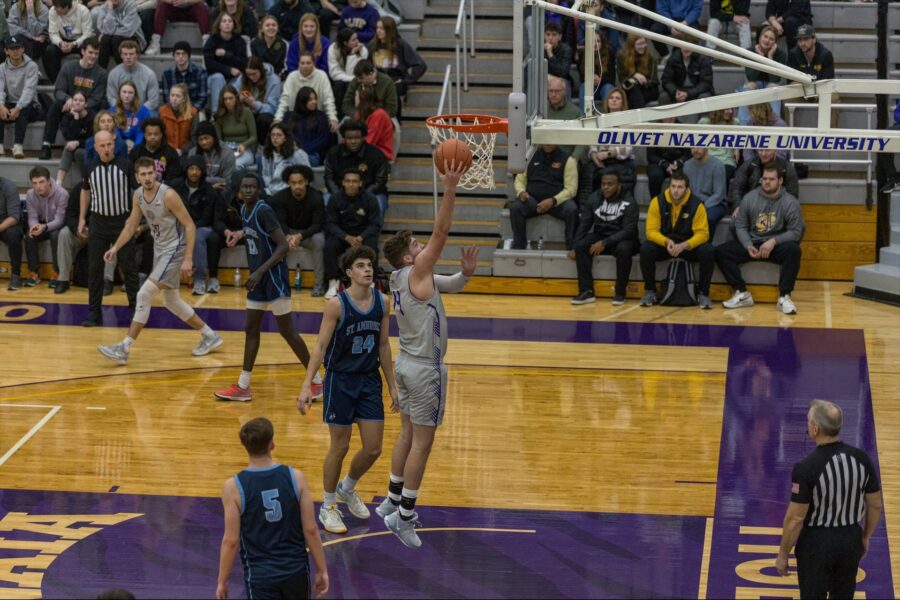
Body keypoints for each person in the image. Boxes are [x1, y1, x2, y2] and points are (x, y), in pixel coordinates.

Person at [377, 161, 475, 548]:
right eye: (416, 248)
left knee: (406, 435)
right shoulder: (416, 270)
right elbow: (442, 230)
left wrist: (466, 274)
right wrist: (450, 187)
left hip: (406, 365)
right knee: (423, 443)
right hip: (425, 371)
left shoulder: (405, 278)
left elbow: (449, 283)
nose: (423, 249)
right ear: (407, 259)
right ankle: (405, 517)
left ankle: (391, 498)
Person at [297, 245, 398, 534]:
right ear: (349, 272)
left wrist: (392, 386)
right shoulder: (336, 305)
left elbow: (383, 346)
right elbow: (319, 347)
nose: (368, 269)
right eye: (361, 265)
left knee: (374, 447)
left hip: (368, 381)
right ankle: (328, 506)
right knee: (339, 446)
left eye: (370, 265)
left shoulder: (382, 301)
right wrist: (308, 384)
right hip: (340, 380)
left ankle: (347, 487)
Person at [97, 158, 223, 363]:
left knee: (144, 293)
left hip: (176, 248)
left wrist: (188, 258)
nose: (147, 178)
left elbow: (190, 225)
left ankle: (124, 348)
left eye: (150, 173)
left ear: (156, 173)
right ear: (136, 177)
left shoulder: (169, 195)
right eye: (143, 174)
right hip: (161, 249)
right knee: (171, 301)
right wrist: (115, 247)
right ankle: (210, 336)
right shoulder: (138, 195)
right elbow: (131, 225)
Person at [214, 173, 324, 402]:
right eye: (245, 187)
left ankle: (318, 382)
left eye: (253, 187)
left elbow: (283, 245)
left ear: (259, 189)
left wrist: (261, 270)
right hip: (258, 281)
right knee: (250, 328)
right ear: (239, 190)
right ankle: (243, 386)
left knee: (288, 332)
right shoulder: (244, 210)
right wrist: (240, 234)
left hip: (272, 278)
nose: (248, 190)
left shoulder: (264, 210)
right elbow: (256, 234)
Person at [775, 399, 883, 599]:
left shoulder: (806, 468)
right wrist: (865, 537)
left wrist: (783, 554)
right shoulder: (861, 459)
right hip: (850, 538)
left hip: (816, 543)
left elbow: (796, 518)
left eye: (808, 422)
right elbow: (875, 504)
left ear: (815, 429)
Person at [216, 417, 329, 600]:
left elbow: (231, 540)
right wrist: (322, 569)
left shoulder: (233, 487)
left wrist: (222, 581)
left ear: (244, 446)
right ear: (272, 444)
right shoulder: (296, 477)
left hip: (261, 576)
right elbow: (311, 529)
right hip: (296, 571)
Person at [716, 163, 805, 315]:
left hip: (775, 244)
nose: (767, 182)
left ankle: (785, 296)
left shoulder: (790, 202)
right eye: (764, 179)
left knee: (794, 250)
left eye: (771, 179)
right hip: (754, 241)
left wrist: (773, 242)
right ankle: (742, 292)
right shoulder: (749, 198)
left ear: (780, 181)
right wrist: (747, 244)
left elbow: (796, 232)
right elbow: (741, 226)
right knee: (721, 252)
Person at [79, 130, 138, 327]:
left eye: (109, 145)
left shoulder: (125, 165)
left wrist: (134, 217)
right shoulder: (88, 166)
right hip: (98, 222)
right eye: (102, 146)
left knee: (128, 267)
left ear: (114, 144)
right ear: (95, 148)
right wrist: (81, 218)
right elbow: (85, 192)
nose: (106, 148)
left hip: (122, 221)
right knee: (95, 269)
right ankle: (94, 313)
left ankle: (135, 311)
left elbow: (136, 192)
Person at [638, 171, 715, 309]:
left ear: (686, 188)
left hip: (687, 246)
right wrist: (666, 241)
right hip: (666, 245)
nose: (675, 191)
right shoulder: (657, 202)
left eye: (680, 187)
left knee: (708, 250)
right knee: (646, 248)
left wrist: (685, 245)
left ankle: (703, 293)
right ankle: (650, 291)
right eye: (673, 186)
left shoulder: (697, 205)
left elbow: (703, 234)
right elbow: (650, 232)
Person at [571, 170, 639, 306]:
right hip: (601, 235)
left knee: (624, 249)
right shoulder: (594, 198)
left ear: (619, 186)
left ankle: (620, 292)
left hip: (623, 238)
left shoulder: (629, 201)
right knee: (581, 246)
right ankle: (586, 291)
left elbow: (629, 230)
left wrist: (605, 242)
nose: (606, 187)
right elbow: (584, 224)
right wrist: (575, 246)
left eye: (610, 184)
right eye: (603, 184)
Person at [40, 36, 106, 161]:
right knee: (55, 105)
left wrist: (80, 106)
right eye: (90, 52)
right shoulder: (69, 67)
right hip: (68, 106)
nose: (93, 56)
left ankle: (88, 145)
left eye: (96, 54)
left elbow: (97, 98)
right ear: (83, 51)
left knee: (101, 107)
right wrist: (68, 99)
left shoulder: (102, 74)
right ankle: (46, 145)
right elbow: (58, 90)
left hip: (87, 109)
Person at [323, 169, 381, 298]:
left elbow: (375, 224)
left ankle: (370, 283)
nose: (351, 184)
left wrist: (361, 237)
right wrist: (346, 237)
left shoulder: (370, 199)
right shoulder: (335, 198)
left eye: (354, 181)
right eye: (348, 181)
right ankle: (333, 282)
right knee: (329, 246)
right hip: (343, 235)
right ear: (343, 183)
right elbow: (330, 223)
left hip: (363, 235)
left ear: (360, 183)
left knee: (372, 246)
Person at [509, 143, 578, 252]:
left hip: (557, 201)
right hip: (533, 200)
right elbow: (519, 179)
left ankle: (572, 248)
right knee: (515, 207)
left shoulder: (568, 160)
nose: (547, 142)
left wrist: (553, 200)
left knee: (572, 209)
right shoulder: (529, 156)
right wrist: (521, 192)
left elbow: (571, 189)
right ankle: (518, 247)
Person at [268, 164, 325, 296]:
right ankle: (276, 283)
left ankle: (319, 284)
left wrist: (300, 236)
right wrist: (287, 236)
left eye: (300, 182)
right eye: (293, 183)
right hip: (288, 232)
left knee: (319, 240)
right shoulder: (280, 197)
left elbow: (318, 225)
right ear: (288, 183)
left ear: (306, 181)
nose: (297, 186)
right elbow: (280, 222)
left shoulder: (316, 197)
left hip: (308, 233)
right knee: (272, 239)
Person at [174, 155, 222, 295]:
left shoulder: (209, 191)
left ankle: (200, 279)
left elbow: (206, 218)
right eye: (191, 168)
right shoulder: (176, 186)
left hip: (202, 226)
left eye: (198, 169)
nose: (194, 172)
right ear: (186, 170)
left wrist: (189, 228)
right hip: (179, 225)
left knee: (197, 237)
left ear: (203, 172)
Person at [323, 119, 389, 214]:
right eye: (349, 138)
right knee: (326, 203)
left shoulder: (376, 154)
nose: (353, 141)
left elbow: (380, 181)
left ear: (363, 138)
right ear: (344, 139)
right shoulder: (333, 153)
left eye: (357, 138)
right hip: (339, 192)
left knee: (378, 206)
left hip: (370, 193)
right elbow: (329, 178)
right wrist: (339, 195)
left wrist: (362, 196)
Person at [23, 167, 68, 287]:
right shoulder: (30, 194)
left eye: (41, 182)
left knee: (55, 235)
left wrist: (44, 227)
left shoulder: (62, 193)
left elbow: (59, 220)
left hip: (57, 224)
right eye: (35, 183)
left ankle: (57, 272)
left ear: (49, 181)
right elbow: (32, 217)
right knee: (29, 235)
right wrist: (34, 226)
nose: (38, 186)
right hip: (41, 223)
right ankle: (34, 272)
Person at [0, 35, 41, 160]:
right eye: (12, 49)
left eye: (18, 48)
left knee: (25, 107)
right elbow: (0, 88)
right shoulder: (1, 68)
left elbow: (28, 90)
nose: (15, 51)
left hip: (30, 106)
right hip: (10, 104)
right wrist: (1, 105)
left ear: (23, 49)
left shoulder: (32, 66)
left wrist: (18, 107)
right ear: (6, 51)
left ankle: (18, 145)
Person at [275, 51, 338, 130]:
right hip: (296, 116)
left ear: (314, 63)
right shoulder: (292, 77)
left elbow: (328, 99)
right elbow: (284, 100)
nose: (305, 66)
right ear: (298, 64)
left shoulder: (322, 76)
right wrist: (277, 119)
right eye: (302, 63)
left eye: (308, 63)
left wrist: (332, 118)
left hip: (317, 116)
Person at [367, 16, 425, 99]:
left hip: (395, 82)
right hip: (377, 81)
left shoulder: (401, 45)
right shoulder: (372, 45)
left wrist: (405, 80)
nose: (378, 31)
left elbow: (420, 65)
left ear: (390, 30)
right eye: (377, 28)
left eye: (382, 29)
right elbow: (366, 65)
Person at [729, 147, 800, 212]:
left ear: (775, 150)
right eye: (760, 150)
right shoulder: (749, 165)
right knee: (735, 221)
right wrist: (738, 205)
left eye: (767, 150)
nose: (763, 154)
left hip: (778, 208)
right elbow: (737, 187)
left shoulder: (786, 168)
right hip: (752, 207)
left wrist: (783, 210)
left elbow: (792, 194)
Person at [205, 12, 247, 113]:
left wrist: (226, 54)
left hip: (234, 78)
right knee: (218, 77)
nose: (227, 23)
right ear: (219, 25)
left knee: (243, 78)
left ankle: (234, 112)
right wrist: (228, 69)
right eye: (224, 21)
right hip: (215, 78)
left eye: (230, 21)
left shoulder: (240, 41)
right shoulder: (212, 40)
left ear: (234, 24)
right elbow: (209, 64)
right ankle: (217, 114)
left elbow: (243, 62)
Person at [282, 86, 334, 166]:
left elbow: (322, 140)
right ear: (302, 101)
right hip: (291, 152)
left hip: (312, 154)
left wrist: (301, 151)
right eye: (310, 100)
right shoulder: (289, 116)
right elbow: (285, 136)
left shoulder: (321, 116)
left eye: (315, 99)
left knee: (302, 159)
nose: (314, 102)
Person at [235, 57, 281, 145]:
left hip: (263, 115)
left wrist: (254, 104)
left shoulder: (274, 80)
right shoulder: (243, 78)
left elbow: (272, 109)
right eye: (248, 74)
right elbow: (232, 92)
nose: (251, 77)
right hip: (247, 112)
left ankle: (262, 147)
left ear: (261, 71)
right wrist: (238, 99)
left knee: (264, 119)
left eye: (254, 74)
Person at [106, 40, 159, 114]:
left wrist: (139, 112)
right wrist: (122, 111)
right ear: (121, 55)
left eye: (131, 54)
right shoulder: (113, 74)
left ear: (137, 55)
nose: (128, 57)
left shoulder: (149, 74)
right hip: (120, 110)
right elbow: (111, 98)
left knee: (153, 115)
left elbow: (153, 101)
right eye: (125, 54)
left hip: (142, 110)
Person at [45, 0, 93, 83]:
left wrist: (74, 44)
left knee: (87, 50)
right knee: (50, 50)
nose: (55, 10)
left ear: (66, 7)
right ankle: (56, 82)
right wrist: (60, 43)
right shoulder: (53, 11)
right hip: (63, 40)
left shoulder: (83, 10)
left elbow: (87, 34)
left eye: (58, 8)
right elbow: (53, 33)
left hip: (80, 40)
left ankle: (84, 82)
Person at [258, 123, 310, 197]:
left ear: (285, 137)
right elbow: (265, 175)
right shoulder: (267, 154)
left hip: (291, 194)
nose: (275, 138)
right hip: (271, 192)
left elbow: (307, 175)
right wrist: (271, 189)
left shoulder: (298, 154)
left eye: (279, 135)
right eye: (273, 135)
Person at [682, 147, 726, 233]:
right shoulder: (687, 165)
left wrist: (701, 207)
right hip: (694, 203)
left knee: (708, 217)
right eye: (693, 147)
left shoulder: (717, 165)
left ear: (707, 147)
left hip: (715, 204)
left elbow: (719, 194)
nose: (695, 150)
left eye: (699, 146)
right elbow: (686, 190)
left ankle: (705, 244)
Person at [54, 91, 95, 184]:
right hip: (73, 147)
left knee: (79, 152)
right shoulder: (67, 117)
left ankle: (85, 180)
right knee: (68, 147)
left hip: (89, 148)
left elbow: (94, 139)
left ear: (86, 104)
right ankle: (58, 183)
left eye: (81, 100)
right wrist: (75, 119)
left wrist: (78, 143)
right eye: (75, 100)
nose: (77, 102)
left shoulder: (92, 116)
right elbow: (69, 137)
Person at [186, 122, 235, 198]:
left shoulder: (227, 154)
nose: (204, 142)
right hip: (199, 190)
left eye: (206, 138)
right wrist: (209, 187)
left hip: (220, 191)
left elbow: (227, 181)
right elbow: (189, 178)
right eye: (200, 139)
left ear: (214, 137)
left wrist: (202, 181)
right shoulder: (193, 152)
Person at [143, 0, 209, 55]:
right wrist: (172, 1)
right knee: (162, 5)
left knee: (201, 6)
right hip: (174, 10)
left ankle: (206, 42)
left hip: (192, 11)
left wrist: (187, 1)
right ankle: (155, 43)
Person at [215, 85, 257, 170]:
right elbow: (219, 139)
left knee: (235, 166)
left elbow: (254, 136)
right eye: (225, 99)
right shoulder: (219, 115)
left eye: (231, 98)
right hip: (226, 148)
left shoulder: (246, 112)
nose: (228, 101)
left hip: (244, 149)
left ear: (236, 98)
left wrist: (244, 145)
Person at [128, 117, 183, 183]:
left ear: (161, 135)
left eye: (156, 134)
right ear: (145, 135)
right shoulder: (135, 152)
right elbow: (131, 175)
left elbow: (174, 178)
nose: (152, 137)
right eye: (149, 134)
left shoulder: (171, 152)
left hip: (164, 190)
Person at [659, 41, 714, 107]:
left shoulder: (703, 59)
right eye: (684, 46)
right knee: (663, 96)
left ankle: (704, 117)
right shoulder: (673, 58)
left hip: (697, 91)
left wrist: (688, 93)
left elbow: (706, 83)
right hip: (678, 90)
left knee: (704, 97)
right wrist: (675, 91)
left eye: (689, 46)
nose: (686, 49)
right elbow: (666, 80)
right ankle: (667, 117)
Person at [160, 41, 208, 113]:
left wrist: (192, 110)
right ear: (173, 56)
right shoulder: (167, 74)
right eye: (177, 54)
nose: (180, 56)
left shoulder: (200, 72)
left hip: (193, 110)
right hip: (174, 109)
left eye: (184, 53)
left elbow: (203, 97)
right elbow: (167, 97)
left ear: (189, 56)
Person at [94, 0, 145, 67]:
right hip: (112, 41)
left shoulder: (130, 5)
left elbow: (127, 31)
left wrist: (109, 32)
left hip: (133, 37)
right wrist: (110, 10)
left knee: (115, 39)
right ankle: (101, 73)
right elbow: (102, 28)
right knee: (105, 39)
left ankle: (124, 71)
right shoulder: (104, 8)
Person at [546, 75, 585, 162]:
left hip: (566, 159)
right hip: (544, 158)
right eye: (551, 91)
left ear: (564, 92)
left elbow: (582, 139)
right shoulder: (541, 111)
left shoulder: (575, 112)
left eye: (557, 91)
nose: (553, 94)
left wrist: (574, 158)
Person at [328, 27, 367, 114]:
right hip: (341, 81)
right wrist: (350, 78)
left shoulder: (363, 50)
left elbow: (357, 73)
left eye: (357, 38)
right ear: (345, 43)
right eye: (353, 40)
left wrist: (353, 54)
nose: (357, 42)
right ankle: (339, 116)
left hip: (359, 80)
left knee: (350, 85)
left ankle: (353, 114)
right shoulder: (333, 49)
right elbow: (334, 74)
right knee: (339, 85)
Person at [353, 83, 393, 160]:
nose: (354, 98)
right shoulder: (359, 114)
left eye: (355, 95)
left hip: (379, 155)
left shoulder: (379, 114)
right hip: (364, 152)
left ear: (362, 98)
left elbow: (369, 141)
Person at [617, 33, 658, 109]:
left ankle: (633, 120)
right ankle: (640, 119)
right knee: (631, 91)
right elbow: (622, 78)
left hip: (649, 89)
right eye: (639, 44)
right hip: (630, 88)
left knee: (631, 94)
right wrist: (634, 76)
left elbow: (653, 80)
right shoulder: (622, 56)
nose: (643, 46)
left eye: (644, 43)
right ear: (632, 45)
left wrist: (634, 80)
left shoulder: (650, 56)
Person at [158, 83, 199, 154]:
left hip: (186, 151)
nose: (174, 98)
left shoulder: (193, 113)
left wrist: (182, 150)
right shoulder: (162, 111)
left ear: (184, 99)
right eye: (172, 95)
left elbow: (194, 138)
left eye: (178, 96)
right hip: (166, 150)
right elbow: (160, 135)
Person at [109, 80, 150, 149]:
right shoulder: (112, 111)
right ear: (119, 94)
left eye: (130, 93)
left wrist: (135, 146)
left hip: (138, 145)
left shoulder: (143, 111)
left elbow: (142, 132)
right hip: (119, 145)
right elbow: (115, 132)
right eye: (124, 92)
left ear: (135, 95)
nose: (127, 95)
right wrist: (123, 146)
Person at [0, 175, 24, 290]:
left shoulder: (9, 187)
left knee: (14, 234)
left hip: (8, 223)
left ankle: (16, 275)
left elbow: (14, 217)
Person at [543, 21, 573, 87]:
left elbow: (563, 73)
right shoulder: (540, 49)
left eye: (554, 35)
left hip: (563, 81)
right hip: (545, 81)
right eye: (548, 34)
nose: (550, 38)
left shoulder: (566, 50)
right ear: (544, 36)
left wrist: (550, 55)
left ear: (560, 37)